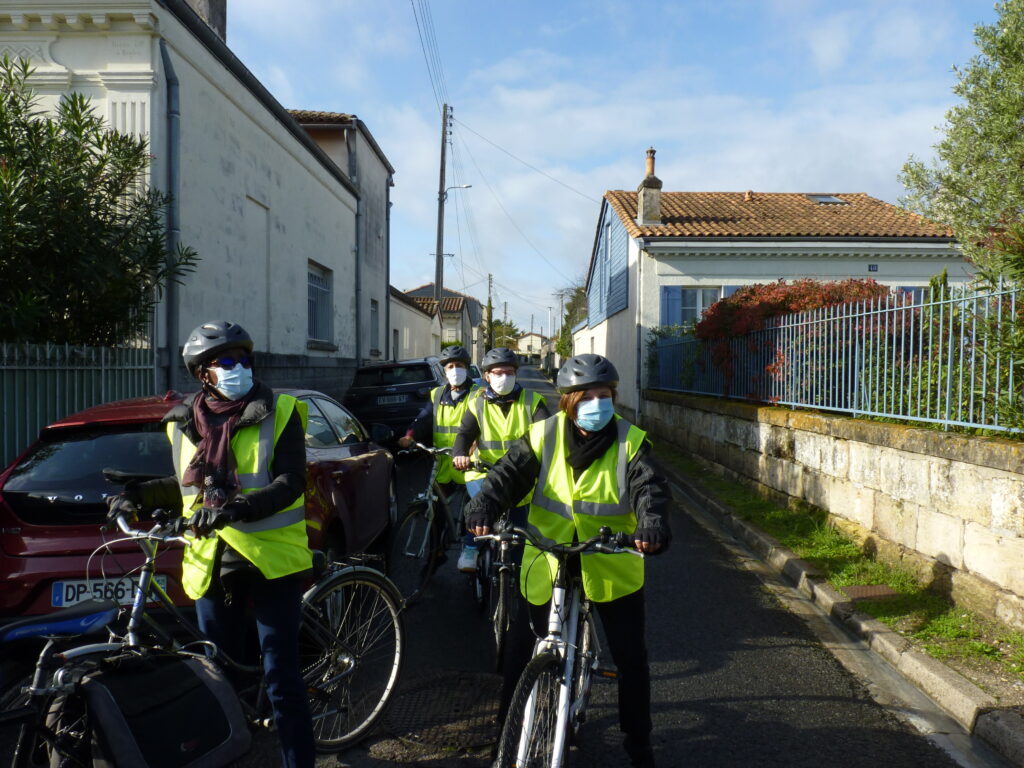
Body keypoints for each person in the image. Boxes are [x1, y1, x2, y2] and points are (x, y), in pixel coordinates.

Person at [106, 320, 315, 768]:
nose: (238, 368)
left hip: (271, 561)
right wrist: (138, 494)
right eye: (226, 362)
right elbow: (186, 485)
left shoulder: (283, 410)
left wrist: (238, 508)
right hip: (210, 562)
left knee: (280, 676)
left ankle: (299, 761)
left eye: (243, 360)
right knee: (218, 677)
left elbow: (291, 481)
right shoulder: (184, 422)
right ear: (204, 373)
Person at [463, 353, 671, 768]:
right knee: (520, 650)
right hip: (548, 556)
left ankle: (639, 746)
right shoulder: (543, 435)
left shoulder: (631, 441)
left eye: (605, 394)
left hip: (610, 561)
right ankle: (507, 734)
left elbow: (651, 490)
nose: (598, 403)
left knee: (631, 658)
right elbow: (508, 474)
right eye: (587, 395)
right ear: (569, 401)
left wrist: (652, 525)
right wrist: (483, 505)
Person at [451, 346, 550, 571]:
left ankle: (516, 569)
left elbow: (548, 435)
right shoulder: (477, 403)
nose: (504, 377)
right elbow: (465, 433)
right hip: (482, 470)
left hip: (519, 474)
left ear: (516, 374)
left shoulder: (533, 401)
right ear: (487, 376)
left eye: (509, 372)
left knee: (518, 528)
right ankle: (470, 547)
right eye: (497, 373)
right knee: (479, 507)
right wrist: (459, 454)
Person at [397, 344, 480, 569]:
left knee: (474, 509)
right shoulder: (436, 394)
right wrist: (409, 435)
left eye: (460, 366)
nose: (455, 370)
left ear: (467, 368)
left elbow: (486, 423)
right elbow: (423, 418)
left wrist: (475, 443)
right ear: (445, 371)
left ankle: (471, 548)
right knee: (438, 511)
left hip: (470, 465)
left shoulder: (478, 394)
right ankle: (438, 552)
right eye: (450, 366)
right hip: (443, 463)